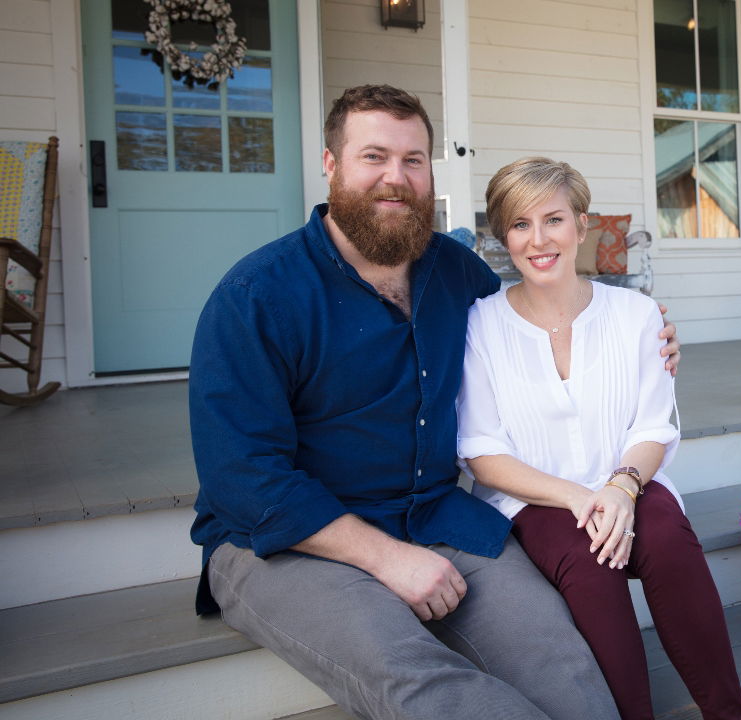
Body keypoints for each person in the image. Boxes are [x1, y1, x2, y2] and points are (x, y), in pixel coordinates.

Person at [187, 85, 680, 720]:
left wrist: (644, 342)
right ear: (331, 165)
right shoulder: (256, 296)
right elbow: (241, 477)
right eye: (374, 156)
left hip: (435, 517)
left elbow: (536, 334)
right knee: (423, 681)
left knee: (564, 664)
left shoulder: (457, 273)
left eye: (413, 160)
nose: (395, 178)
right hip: (285, 541)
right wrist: (386, 558)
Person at [458, 157, 741, 720]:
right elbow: (483, 453)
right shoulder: (480, 324)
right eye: (520, 224)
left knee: (665, 535)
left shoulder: (636, 314)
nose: (539, 240)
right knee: (588, 560)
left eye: (553, 219)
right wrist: (579, 498)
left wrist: (621, 487)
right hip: (534, 497)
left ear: (581, 225)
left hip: (628, 477)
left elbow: (653, 427)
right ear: (503, 237)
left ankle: (729, 713)